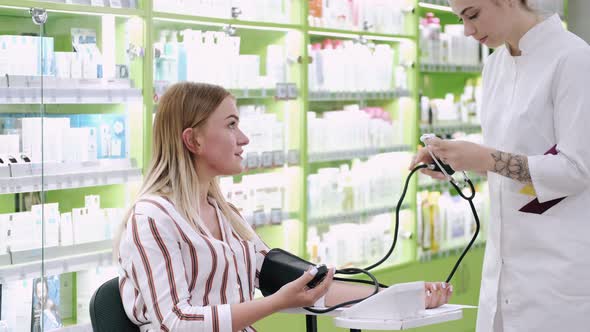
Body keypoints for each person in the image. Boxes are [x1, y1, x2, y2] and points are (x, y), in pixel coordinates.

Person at [115, 82, 451, 331]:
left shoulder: (226, 214)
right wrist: (276, 303)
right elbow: (175, 322)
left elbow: (303, 285)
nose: (244, 138)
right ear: (193, 140)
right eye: (231, 124)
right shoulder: (153, 219)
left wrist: (399, 296)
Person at [410, 0, 590, 331]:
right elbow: (512, 165)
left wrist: (484, 157)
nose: (468, 30)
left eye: (473, 14)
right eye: (460, 18)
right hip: (501, 278)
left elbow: (577, 171)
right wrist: (454, 159)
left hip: (556, 281)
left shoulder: (574, 59)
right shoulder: (494, 67)